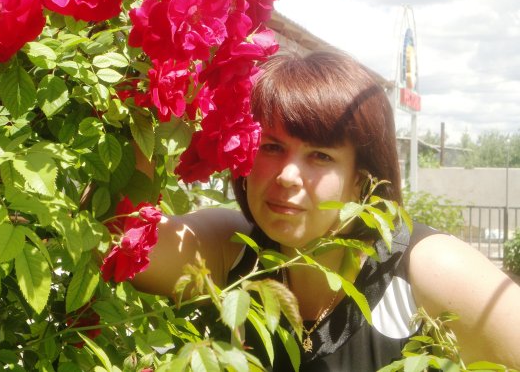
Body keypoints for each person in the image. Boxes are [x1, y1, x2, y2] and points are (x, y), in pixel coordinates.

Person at [132, 49, 520, 371]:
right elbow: (128, 246)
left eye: (320, 155)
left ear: (362, 179)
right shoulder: (232, 249)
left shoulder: (429, 269)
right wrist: (152, 86)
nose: (287, 175)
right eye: (271, 147)